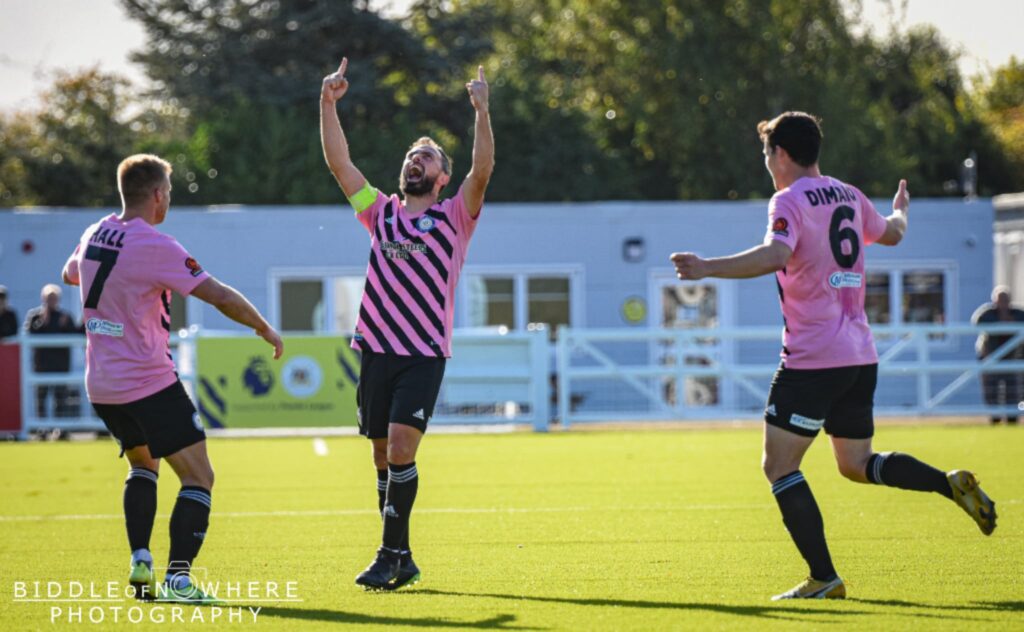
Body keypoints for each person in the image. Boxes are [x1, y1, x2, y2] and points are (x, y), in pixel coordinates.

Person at [671, 111, 997, 601]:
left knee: (778, 465)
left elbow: (775, 255)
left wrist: (706, 268)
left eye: (766, 154)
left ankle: (824, 577)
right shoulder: (848, 194)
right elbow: (893, 232)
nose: (766, 163)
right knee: (855, 462)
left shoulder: (788, 199)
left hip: (812, 357)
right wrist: (902, 209)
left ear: (779, 153)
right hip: (859, 355)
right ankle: (946, 483)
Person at [62, 154, 284, 604]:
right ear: (159, 195)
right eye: (170, 193)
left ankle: (141, 559)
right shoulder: (156, 245)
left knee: (143, 466)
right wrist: (263, 326)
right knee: (199, 477)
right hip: (148, 381)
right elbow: (217, 294)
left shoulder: (94, 232)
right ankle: (179, 580)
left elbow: (69, 274)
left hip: (103, 384)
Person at [320, 57, 494, 590]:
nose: (416, 161)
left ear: (442, 178)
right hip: (376, 348)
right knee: (380, 453)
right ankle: (405, 555)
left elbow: (482, 169)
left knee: (399, 447)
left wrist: (482, 111)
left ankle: (387, 555)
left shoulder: (455, 216)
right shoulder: (382, 211)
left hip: (422, 353)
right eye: (411, 156)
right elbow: (340, 165)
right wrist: (327, 103)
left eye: (427, 158)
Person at [24, 284, 82, 417]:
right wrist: (43, 322)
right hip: (41, 365)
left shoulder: (65, 317)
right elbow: (29, 334)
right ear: (43, 299)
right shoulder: (35, 317)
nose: (51, 301)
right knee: (40, 399)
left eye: (54, 298)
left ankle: (60, 430)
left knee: (60, 398)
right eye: (49, 298)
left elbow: (77, 333)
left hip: (60, 366)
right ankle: (42, 429)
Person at [971, 286, 1024, 424]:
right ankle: (995, 418)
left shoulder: (1017, 314)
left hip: (1012, 358)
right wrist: (1001, 321)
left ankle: (1012, 418)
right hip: (990, 357)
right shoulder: (987, 314)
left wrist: (1010, 320)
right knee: (991, 391)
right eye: (1000, 300)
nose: (1003, 304)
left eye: (1005, 300)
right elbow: (976, 321)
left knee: (1013, 391)